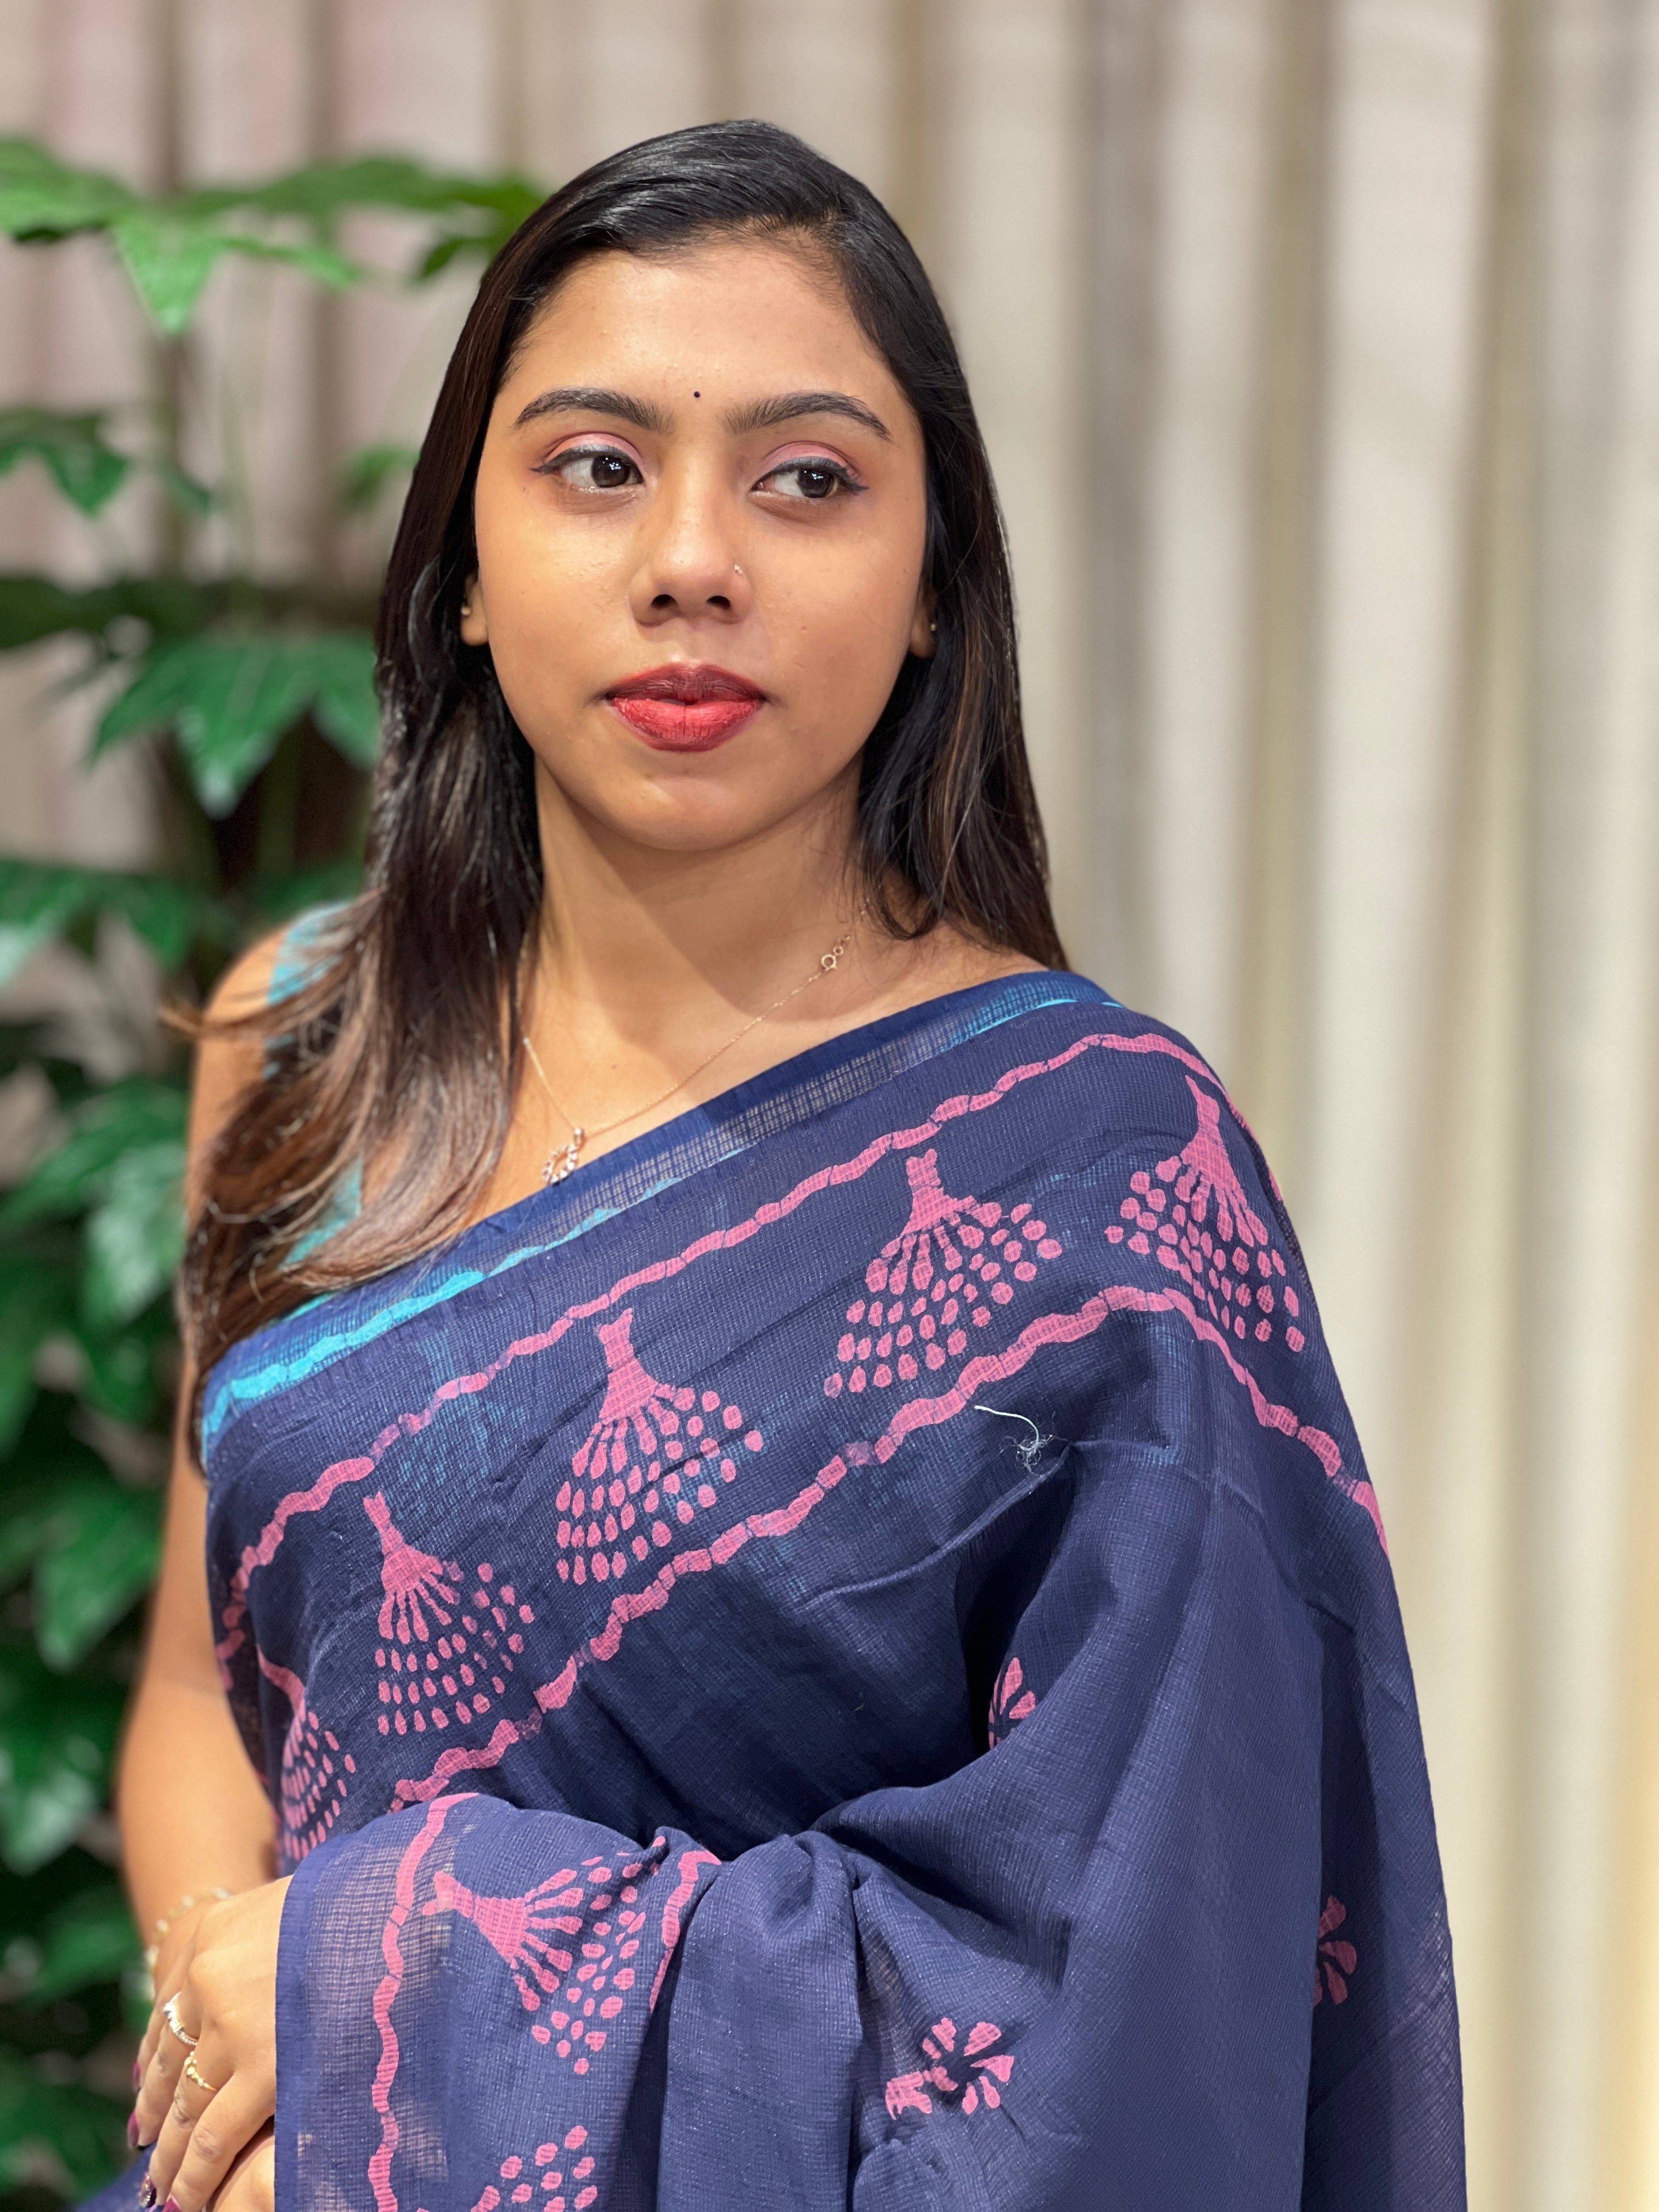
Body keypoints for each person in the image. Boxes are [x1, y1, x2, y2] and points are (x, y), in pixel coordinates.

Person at [103, 121, 1463, 2212]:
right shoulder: (301, 1039)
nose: (692, 562)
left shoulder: (1099, 1166)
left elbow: (1139, 1951)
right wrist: (253, 2068)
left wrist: (393, 1991)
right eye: (596, 465)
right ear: (462, 567)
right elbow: (204, 1693)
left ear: (930, 592)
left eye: (808, 480)